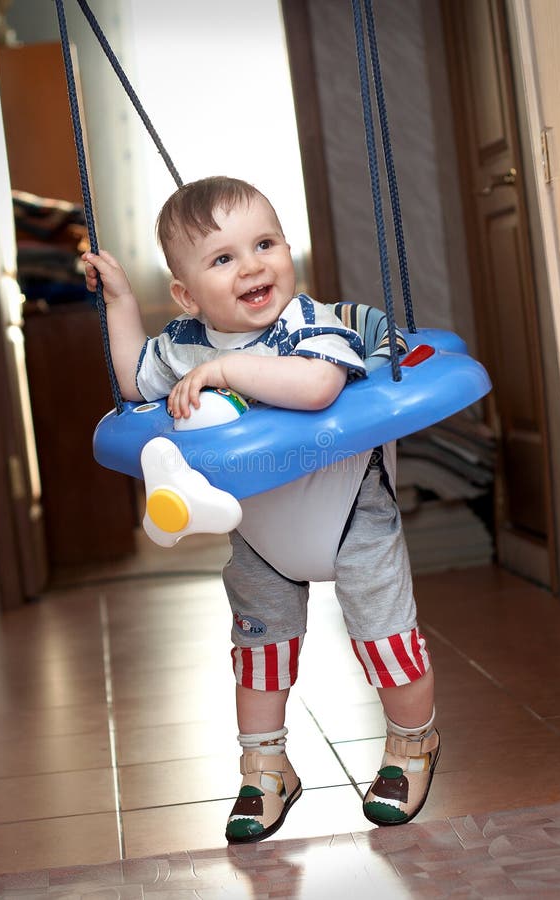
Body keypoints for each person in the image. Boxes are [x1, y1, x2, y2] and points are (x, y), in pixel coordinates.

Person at [83, 175, 440, 843]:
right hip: (259, 528)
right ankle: (265, 766)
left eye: (265, 243)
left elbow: (316, 386)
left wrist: (228, 374)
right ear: (188, 295)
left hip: (347, 509)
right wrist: (121, 302)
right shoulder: (186, 343)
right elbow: (134, 380)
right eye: (222, 258)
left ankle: (411, 745)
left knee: (383, 634)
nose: (252, 265)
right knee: (259, 646)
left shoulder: (310, 322)